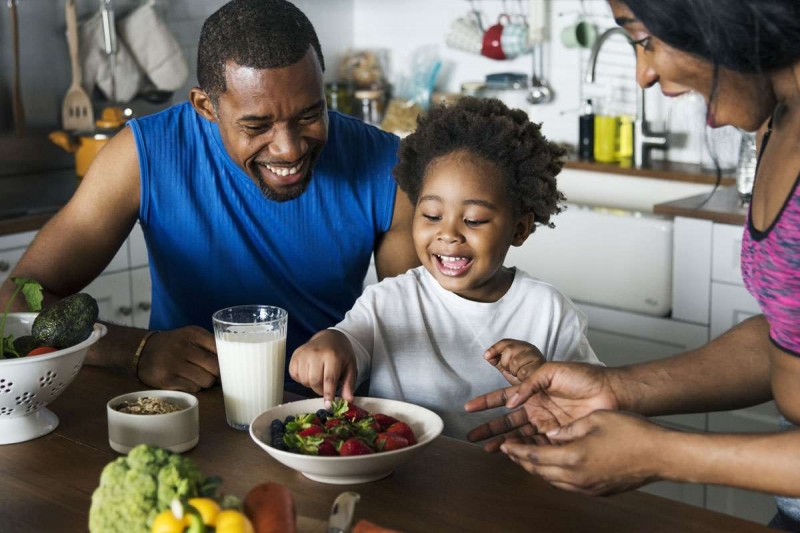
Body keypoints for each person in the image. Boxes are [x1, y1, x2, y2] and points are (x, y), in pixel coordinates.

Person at [464, 0, 800, 529]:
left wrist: (664, 454)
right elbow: (787, 338)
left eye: (645, 39)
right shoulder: (777, 123)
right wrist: (616, 389)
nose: (644, 74)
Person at [0, 0, 418, 393]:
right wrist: (135, 349)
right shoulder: (143, 155)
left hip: (325, 417)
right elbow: (15, 299)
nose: (289, 149)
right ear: (205, 106)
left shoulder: (388, 165)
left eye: (310, 114)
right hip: (195, 409)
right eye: (257, 126)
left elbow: (417, 327)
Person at [289, 97, 602, 440]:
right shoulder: (388, 300)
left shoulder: (550, 313)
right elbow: (349, 342)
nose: (448, 234)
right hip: (405, 477)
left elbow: (595, 410)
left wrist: (544, 375)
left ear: (519, 229)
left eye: (474, 220)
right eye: (432, 216)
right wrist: (328, 343)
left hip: (511, 480)